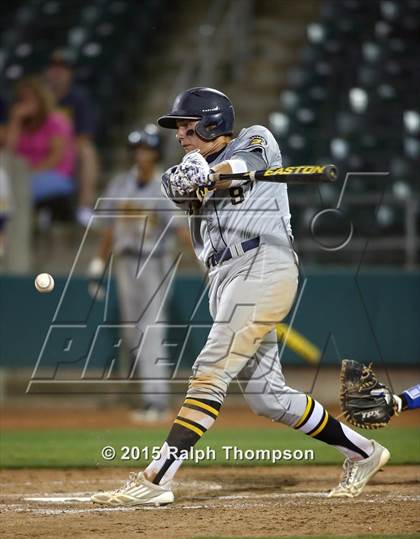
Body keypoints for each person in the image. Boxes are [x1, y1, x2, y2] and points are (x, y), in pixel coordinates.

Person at [91, 87, 390, 506]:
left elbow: (244, 163)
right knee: (267, 396)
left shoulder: (257, 138)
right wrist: (194, 178)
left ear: (213, 122)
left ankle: (156, 480)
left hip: (264, 264)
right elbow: (175, 190)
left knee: (210, 369)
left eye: (186, 125)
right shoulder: (183, 168)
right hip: (222, 279)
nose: (179, 134)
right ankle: (363, 452)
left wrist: (214, 175)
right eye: (177, 126)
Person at [89, 125, 189, 422]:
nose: (141, 154)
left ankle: (156, 402)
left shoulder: (166, 184)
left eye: (146, 148)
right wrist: (97, 263)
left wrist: (206, 260)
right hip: (124, 261)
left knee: (151, 329)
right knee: (133, 332)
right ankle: (147, 396)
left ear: (155, 152)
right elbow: (109, 227)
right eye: (137, 148)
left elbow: (181, 229)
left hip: (154, 262)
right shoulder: (121, 183)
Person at [5, 76, 76, 222]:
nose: (26, 104)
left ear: (40, 99)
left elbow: (55, 158)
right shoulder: (20, 125)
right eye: (22, 99)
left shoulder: (56, 121)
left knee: (20, 188)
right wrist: (15, 120)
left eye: (30, 99)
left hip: (55, 174)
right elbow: (9, 152)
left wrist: (30, 172)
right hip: (22, 175)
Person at [45, 49, 99, 226]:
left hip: (68, 150)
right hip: (41, 150)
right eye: (54, 67)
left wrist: (63, 148)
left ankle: (84, 207)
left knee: (87, 151)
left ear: (70, 74)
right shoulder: (39, 98)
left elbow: (85, 135)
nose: (57, 72)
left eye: (63, 68)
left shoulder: (78, 99)